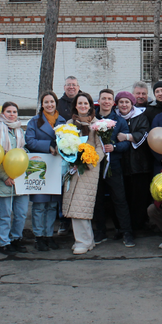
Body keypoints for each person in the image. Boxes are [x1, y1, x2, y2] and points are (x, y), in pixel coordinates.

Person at [61, 93, 106, 255]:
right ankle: (87, 240)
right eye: (79, 103)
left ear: (90, 106)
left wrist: (90, 161)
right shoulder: (69, 124)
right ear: (75, 105)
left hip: (89, 169)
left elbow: (101, 148)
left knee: (81, 205)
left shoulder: (97, 125)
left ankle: (83, 241)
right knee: (75, 205)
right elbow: (64, 144)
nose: (83, 106)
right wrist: (70, 157)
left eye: (85, 103)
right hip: (73, 168)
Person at [93, 89, 134, 247]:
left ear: (113, 102)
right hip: (95, 166)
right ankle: (100, 231)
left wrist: (114, 147)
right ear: (99, 101)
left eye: (109, 99)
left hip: (114, 165)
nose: (106, 101)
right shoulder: (92, 118)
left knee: (119, 199)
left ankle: (126, 232)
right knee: (97, 200)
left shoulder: (119, 121)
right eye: (103, 98)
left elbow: (126, 144)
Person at [0, 102, 30, 256]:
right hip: (2, 180)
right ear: (2, 113)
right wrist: (5, 176)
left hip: (19, 179)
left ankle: (16, 238)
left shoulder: (20, 131)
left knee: (21, 213)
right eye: (8, 111)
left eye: (14, 112)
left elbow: (23, 152)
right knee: (5, 215)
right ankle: (4, 242)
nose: (12, 114)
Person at [25, 91, 63, 251]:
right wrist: (48, 146)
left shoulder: (62, 121)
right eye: (46, 102)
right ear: (42, 104)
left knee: (52, 205)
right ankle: (39, 237)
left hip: (56, 166)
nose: (49, 105)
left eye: (52, 102)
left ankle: (49, 235)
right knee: (40, 205)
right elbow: (30, 141)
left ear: (56, 103)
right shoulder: (34, 121)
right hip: (39, 166)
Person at [115, 91, 152, 233]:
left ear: (132, 104)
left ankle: (138, 226)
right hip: (121, 164)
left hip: (139, 164)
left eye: (127, 102)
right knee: (123, 197)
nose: (124, 105)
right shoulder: (114, 118)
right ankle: (123, 227)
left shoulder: (141, 117)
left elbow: (144, 134)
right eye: (121, 102)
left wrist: (127, 137)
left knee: (139, 198)